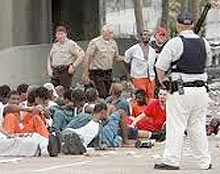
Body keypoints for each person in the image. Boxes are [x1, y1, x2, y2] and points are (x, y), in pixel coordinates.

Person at [154, 11, 212, 170]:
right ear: (192, 25)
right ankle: (204, 161)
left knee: (176, 125)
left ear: (178, 25)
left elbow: (160, 67)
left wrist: (163, 83)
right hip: (201, 90)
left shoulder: (174, 43)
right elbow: (206, 62)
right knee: (198, 126)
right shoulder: (204, 42)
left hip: (181, 89)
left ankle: (171, 160)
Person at [82, 24, 119, 98]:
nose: (111, 35)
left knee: (109, 93)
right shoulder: (95, 42)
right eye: (109, 33)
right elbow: (87, 57)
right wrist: (85, 74)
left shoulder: (113, 43)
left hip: (108, 72)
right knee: (102, 94)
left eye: (112, 33)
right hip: (97, 72)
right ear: (103, 32)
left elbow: (116, 58)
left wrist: (127, 58)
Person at [124, 29, 157, 101]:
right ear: (141, 37)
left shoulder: (152, 51)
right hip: (138, 77)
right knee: (140, 98)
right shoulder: (134, 49)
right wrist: (128, 74)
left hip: (150, 78)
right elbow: (126, 61)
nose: (146, 37)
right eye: (145, 35)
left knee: (151, 99)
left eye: (148, 35)